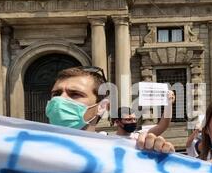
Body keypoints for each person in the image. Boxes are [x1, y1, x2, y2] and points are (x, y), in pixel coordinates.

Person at [45, 66, 175, 153]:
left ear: (101, 107)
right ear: (118, 121)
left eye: (75, 94)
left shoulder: (129, 145)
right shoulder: (30, 150)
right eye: (56, 95)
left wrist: (156, 157)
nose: (60, 100)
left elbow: (162, 125)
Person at [111, 91, 175, 140]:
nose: (133, 122)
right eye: (128, 119)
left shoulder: (140, 136)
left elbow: (163, 125)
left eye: (134, 119)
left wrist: (169, 103)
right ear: (117, 122)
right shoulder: (109, 139)